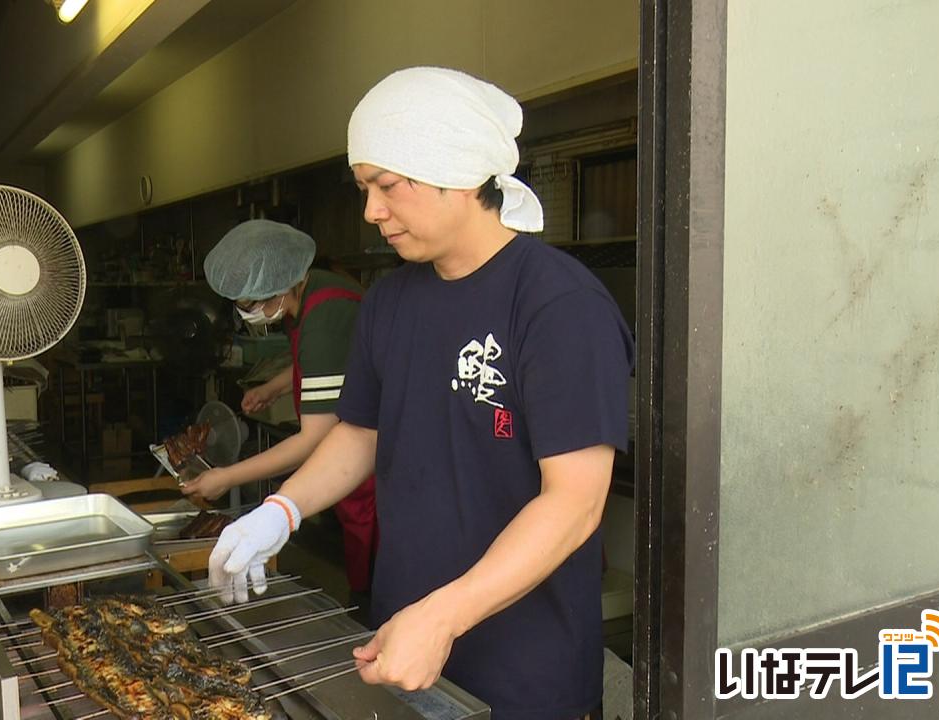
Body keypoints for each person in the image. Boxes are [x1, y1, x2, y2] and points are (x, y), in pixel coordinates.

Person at [207, 67, 633, 720]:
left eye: (386, 186)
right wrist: (282, 512)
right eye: (364, 188)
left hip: (526, 668)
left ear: (457, 172)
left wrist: (444, 616)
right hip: (404, 644)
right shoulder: (390, 301)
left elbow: (574, 503)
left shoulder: (557, 305)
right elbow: (358, 434)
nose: (372, 211)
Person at [184, 219, 378, 602]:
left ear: (277, 286)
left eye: (248, 304)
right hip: (356, 440)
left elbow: (314, 440)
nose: (246, 314)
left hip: (372, 454)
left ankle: (366, 609)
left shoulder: (326, 314)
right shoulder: (313, 288)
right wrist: (273, 388)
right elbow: (327, 360)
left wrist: (227, 477)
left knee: (374, 570)